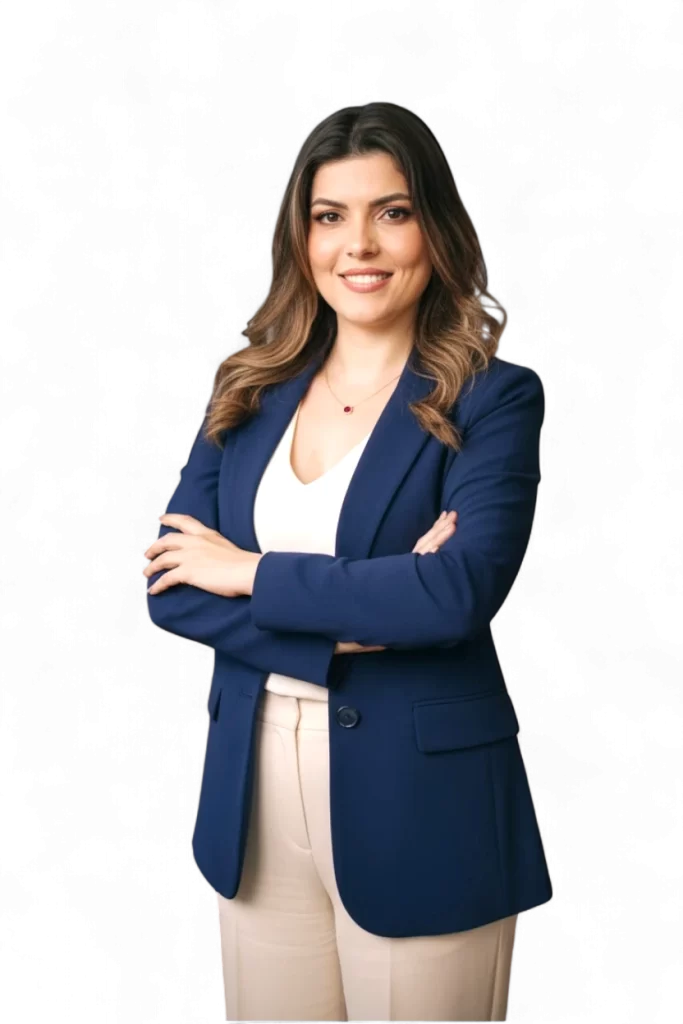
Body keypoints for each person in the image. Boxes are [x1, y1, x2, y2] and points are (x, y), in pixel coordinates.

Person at [141, 101, 552, 1021]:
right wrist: (347, 626)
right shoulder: (246, 387)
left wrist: (247, 573)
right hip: (251, 796)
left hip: (424, 800)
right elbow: (171, 586)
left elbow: (452, 595)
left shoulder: (490, 396)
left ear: (434, 228)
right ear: (302, 237)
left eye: (391, 212)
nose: (358, 245)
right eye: (330, 216)